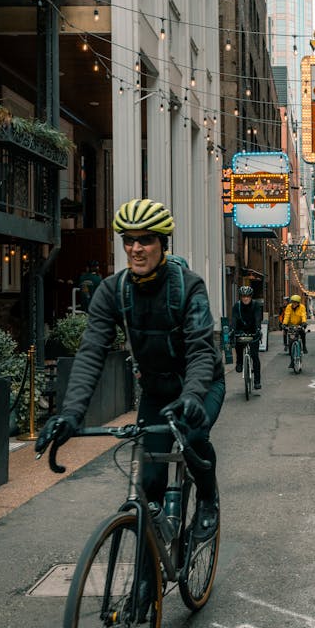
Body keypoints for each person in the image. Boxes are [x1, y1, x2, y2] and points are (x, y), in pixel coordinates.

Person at [35, 199, 225, 540]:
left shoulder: (189, 286)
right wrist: (70, 414)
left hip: (201, 386)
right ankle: (148, 573)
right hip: (155, 391)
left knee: (194, 437)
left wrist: (194, 395)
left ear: (163, 244)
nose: (136, 248)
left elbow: (200, 349)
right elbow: (91, 352)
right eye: (128, 240)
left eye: (146, 240)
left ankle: (208, 500)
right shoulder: (113, 290)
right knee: (150, 483)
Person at [231, 285, 263, 390]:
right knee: (238, 344)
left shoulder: (256, 305)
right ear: (240, 297)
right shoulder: (237, 306)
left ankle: (257, 381)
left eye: (248, 296)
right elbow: (234, 319)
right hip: (241, 330)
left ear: (251, 297)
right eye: (243, 296)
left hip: (253, 331)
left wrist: (258, 329)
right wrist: (233, 330)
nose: (245, 298)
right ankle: (239, 362)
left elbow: (258, 318)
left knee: (255, 356)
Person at [282, 293, 308, 368]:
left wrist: (304, 323)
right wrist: (284, 324)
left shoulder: (302, 307)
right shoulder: (288, 307)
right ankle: (292, 361)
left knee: (302, 333)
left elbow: (303, 315)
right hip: (291, 325)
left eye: (295, 302)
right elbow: (286, 316)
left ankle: (304, 346)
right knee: (291, 341)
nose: (294, 304)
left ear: (298, 303)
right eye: (292, 302)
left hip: (299, 324)